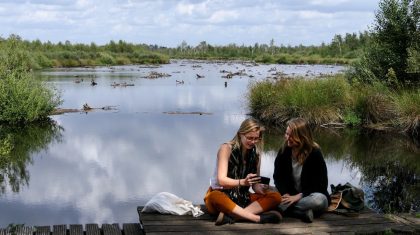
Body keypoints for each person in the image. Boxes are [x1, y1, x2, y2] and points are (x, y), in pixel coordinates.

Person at [204, 118, 282, 226]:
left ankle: (233, 217)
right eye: (249, 138)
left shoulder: (256, 155)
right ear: (240, 134)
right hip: (222, 195)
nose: (253, 142)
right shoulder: (226, 148)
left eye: (256, 138)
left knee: (276, 197)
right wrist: (242, 182)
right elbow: (221, 180)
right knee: (214, 196)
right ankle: (257, 218)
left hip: (243, 198)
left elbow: (254, 185)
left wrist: (260, 188)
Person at [273, 117, 330, 223]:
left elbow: (321, 185)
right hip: (289, 195)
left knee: (320, 200)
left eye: (291, 136)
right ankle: (299, 213)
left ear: (302, 136)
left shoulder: (315, 153)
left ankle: (281, 209)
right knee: (268, 191)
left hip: (309, 196)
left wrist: (299, 196)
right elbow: (278, 177)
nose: (287, 138)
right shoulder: (283, 151)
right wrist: (285, 193)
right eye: (286, 134)